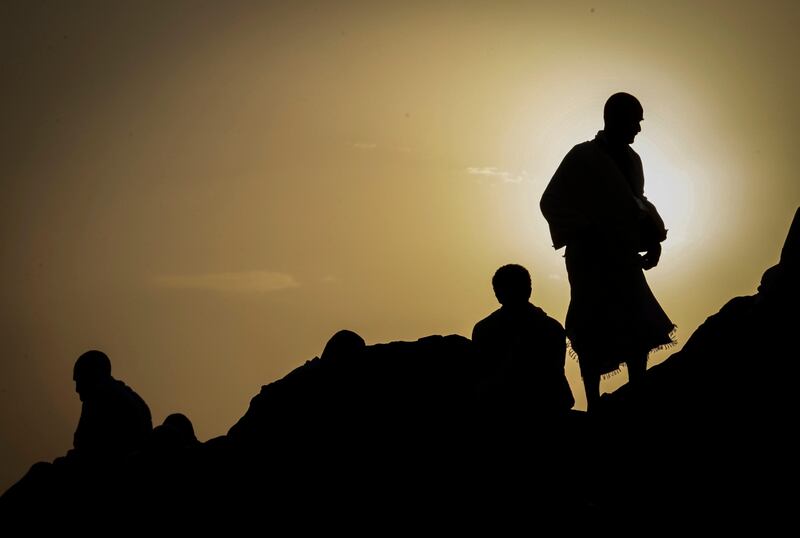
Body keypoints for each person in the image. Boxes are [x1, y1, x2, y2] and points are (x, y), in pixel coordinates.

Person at [540, 92, 674, 411]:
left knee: (637, 320)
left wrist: (652, 240)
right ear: (614, 118)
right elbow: (550, 201)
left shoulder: (633, 160)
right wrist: (586, 229)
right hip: (588, 258)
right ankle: (593, 402)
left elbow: (636, 202)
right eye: (634, 121)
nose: (639, 129)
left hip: (624, 255)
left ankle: (637, 390)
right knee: (591, 324)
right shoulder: (582, 156)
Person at [472, 264, 574, 416]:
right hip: (548, 403)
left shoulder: (484, 329)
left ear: (497, 294)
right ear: (529, 290)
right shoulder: (552, 327)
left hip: (510, 405)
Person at [68, 349, 153, 463]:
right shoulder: (125, 395)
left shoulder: (98, 398)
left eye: (79, 381)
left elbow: (83, 444)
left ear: (92, 376)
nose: (77, 389)